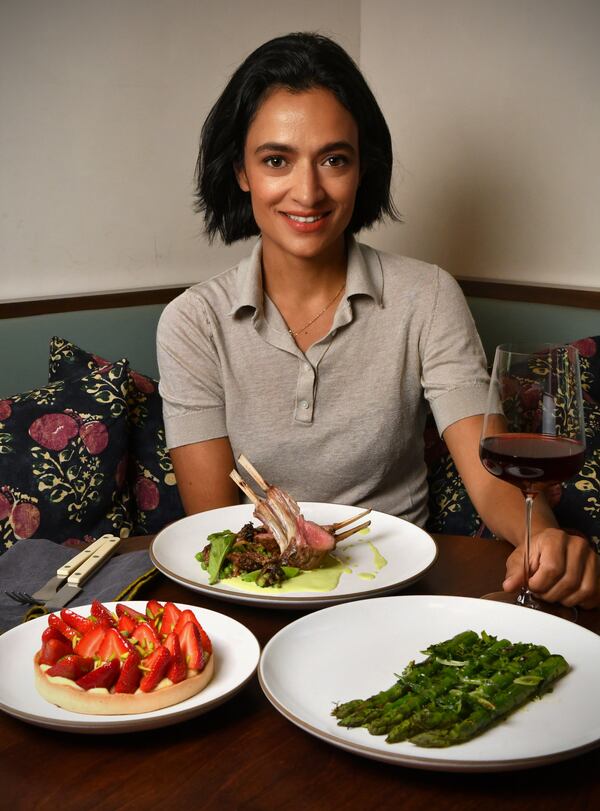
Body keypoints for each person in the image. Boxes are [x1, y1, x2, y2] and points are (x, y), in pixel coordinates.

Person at [157, 32, 599, 609]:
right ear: (241, 172)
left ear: (364, 167)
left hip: (395, 593)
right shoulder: (193, 322)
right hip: (257, 595)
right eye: (276, 160)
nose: (308, 191)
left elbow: (489, 471)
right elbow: (211, 525)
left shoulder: (428, 295)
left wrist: (541, 534)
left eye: (334, 159)